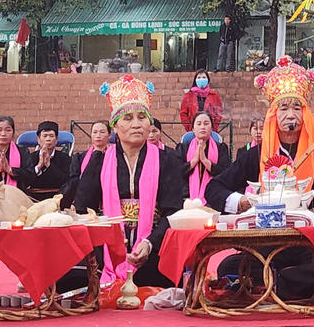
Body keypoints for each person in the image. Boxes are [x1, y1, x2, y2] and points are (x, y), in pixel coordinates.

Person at [206, 56, 314, 300]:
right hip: (269, 242)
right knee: (228, 267)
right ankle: (284, 283)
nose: (290, 114)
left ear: (305, 113)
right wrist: (241, 201)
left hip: (313, 243)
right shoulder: (257, 155)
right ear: (273, 116)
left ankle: (272, 283)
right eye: (283, 108)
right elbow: (214, 188)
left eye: (297, 108)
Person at [70, 75, 184, 289]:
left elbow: (173, 212)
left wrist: (149, 243)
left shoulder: (167, 160)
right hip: (106, 250)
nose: (136, 124)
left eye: (142, 117)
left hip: (154, 249)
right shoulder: (99, 160)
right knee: (70, 279)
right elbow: (84, 209)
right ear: (115, 126)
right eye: (128, 118)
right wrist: (110, 241)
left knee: (158, 281)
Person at [178, 111, 230, 200]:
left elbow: (225, 173)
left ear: (212, 128)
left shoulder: (221, 148)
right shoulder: (183, 147)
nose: (202, 127)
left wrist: (205, 161)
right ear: (193, 129)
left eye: (206, 124)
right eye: (199, 124)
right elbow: (176, 172)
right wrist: (194, 161)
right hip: (186, 197)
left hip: (213, 195)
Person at [19, 120, 69, 201]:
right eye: (45, 136)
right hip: (33, 198)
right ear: (38, 139)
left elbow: (65, 182)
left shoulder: (66, 158)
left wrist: (49, 166)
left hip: (57, 198)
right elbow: (25, 181)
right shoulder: (30, 158)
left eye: (51, 136)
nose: (48, 139)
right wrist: (38, 167)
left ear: (56, 140)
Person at [178, 69, 225, 135]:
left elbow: (219, 113)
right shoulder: (189, 95)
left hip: (210, 130)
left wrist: (213, 127)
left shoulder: (214, 95)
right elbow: (183, 113)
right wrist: (189, 127)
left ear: (208, 79)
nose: (201, 79)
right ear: (195, 80)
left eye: (204, 77)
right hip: (194, 130)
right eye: (199, 77)